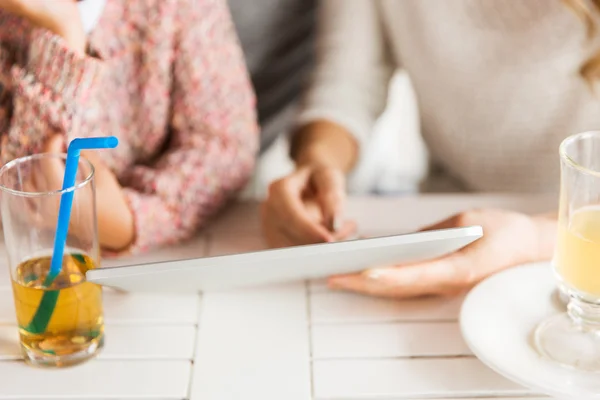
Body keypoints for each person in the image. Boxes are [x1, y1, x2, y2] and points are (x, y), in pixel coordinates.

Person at [261, 0, 600, 298]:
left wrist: (533, 237)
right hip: (445, 221)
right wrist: (318, 161)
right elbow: (348, 85)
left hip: (579, 237)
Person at [0, 0, 258, 254]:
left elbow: (227, 151)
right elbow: (19, 194)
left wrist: (128, 220)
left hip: (154, 261)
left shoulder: (177, 8)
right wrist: (62, 28)